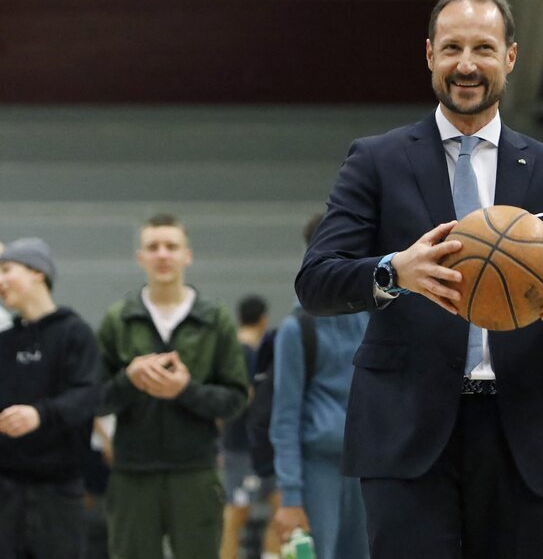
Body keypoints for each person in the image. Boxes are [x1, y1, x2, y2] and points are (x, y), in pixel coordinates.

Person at [295, 0, 543, 559]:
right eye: (452, 48)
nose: (467, 65)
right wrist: (393, 271)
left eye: (483, 48)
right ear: (430, 55)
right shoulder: (377, 160)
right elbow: (316, 282)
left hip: (524, 433)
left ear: (509, 57)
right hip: (406, 430)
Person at [97, 213, 249, 559]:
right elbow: (94, 399)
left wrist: (186, 390)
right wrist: (128, 380)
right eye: (153, 247)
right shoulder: (118, 319)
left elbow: (236, 399)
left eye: (171, 246)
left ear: (187, 255)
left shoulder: (215, 318)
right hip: (133, 473)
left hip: (195, 471)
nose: (162, 254)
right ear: (140, 257)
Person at [272, 213, 370, 559]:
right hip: (319, 471)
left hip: (370, 467)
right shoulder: (297, 330)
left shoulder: (377, 320)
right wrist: (290, 497)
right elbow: (284, 418)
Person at [0, 237, 102, 558]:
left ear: (38, 273)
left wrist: (40, 415)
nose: (0, 282)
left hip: (58, 493)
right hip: (6, 493)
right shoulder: (5, 342)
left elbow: (87, 396)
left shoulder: (75, 333)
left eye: (6, 270)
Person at [220, 295, 279, 559]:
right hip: (242, 444)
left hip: (255, 444)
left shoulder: (249, 351)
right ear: (263, 319)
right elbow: (240, 397)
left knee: (278, 507)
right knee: (236, 512)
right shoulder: (242, 352)